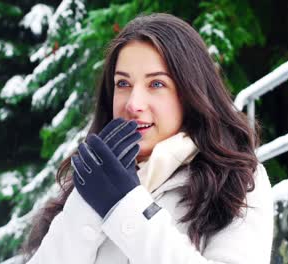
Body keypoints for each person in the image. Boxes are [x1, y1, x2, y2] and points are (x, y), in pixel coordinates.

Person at [22, 13, 274, 264]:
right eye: (123, 84)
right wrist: (86, 206)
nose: (133, 104)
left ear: (190, 93)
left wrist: (125, 206)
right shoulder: (90, 182)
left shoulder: (238, 182)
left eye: (156, 84)